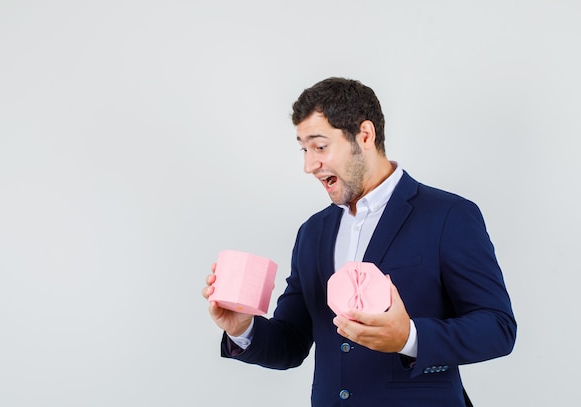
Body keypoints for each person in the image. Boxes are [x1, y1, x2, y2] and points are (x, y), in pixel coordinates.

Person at [202, 77, 516, 406]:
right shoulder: (312, 232)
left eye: (320, 146)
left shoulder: (449, 215)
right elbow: (292, 343)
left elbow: (498, 328)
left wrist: (409, 337)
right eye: (304, 149)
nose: (309, 165)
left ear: (364, 135)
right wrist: (243, 329)